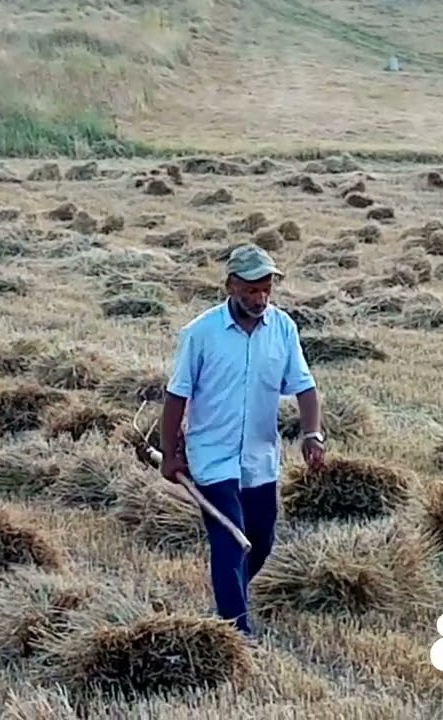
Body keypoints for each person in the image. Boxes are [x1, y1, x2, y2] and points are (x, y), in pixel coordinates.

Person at [159, 243, 324, 640]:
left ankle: (231, 597)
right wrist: (170, 454)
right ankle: (237, 632)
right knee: (230, 536)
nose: (260, 298)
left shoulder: (283, 328)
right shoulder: (201, 334)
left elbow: (304, 385)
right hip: (212, 455)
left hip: (259, 457)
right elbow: (176, 396)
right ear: (230, 286)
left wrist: (312, 433)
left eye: (266, 289)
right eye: (251, 290)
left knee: (262, 538)